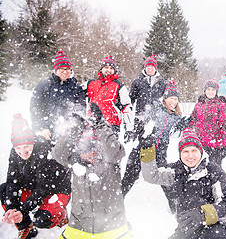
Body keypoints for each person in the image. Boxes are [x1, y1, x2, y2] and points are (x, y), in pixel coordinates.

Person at [52, 103, 133, 239]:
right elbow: (58, 154)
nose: (90, 153)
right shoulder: (77, 163)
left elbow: (113, 151)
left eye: (95, 148)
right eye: (86, 149)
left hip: (113, 227)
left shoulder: (111, 162)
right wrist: (76, 127)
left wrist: (100, 124)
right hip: (79, 226)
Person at [140, 128, 226, 239]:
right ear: (180, 154)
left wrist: (202, 214)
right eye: (185, 151)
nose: (190, 156)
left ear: (200, 151)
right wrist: (147, 150)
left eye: (194, 151)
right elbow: (152, 176)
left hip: (213, 226)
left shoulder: (213, 171)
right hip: (186, 226)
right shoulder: (175, 171)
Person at [0, 114, 71, 239]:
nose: (23, 152)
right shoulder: (14, 152)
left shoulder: (44, 150)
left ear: (32, 141)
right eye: (18, 148)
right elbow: (12, 181)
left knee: (42, 220)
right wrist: (12, 208)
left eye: (26, 146)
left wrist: (23, 210)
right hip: (34, 188)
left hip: (55, 191)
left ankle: (60, 214)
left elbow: (44, 188)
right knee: (3, 190)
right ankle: (25, 226)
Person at [122, 81, 187, 196]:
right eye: (171, 98)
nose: (174, 102)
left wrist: (179, 128)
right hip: (144, 145)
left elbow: (173, 135)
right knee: (130, 176)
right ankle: (117, 200)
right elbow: (144, 123)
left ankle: (175, 206)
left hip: (161, 149)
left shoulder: (176, 115)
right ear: (165, 98)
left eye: (176, 99)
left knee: (164, 177)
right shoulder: (156, 107)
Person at [30, 50, 86, 142]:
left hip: (68, 135)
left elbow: (80, 110)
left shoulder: (77, 89)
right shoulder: (43, 85)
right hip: (46, 133)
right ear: (56, 70)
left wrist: (73, 129)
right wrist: (41, 127)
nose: (65, 72)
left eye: (67, 69)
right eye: (61, 69)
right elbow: (35, 108)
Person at [86, 55, 134, 139]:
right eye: (106, 67)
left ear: (115, 70)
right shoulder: (91, 83)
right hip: (92, 123)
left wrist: (129, 129)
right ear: (101, 69)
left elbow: (126, 107)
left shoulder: (119, 86)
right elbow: (76, 95)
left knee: (109, 151)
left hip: (112, 125)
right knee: (89, 150)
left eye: (111, 68)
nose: (108, 70)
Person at [189, 79, 226, 166]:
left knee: (214, 171)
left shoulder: (221, 106)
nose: (210, 92)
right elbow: (193, 120)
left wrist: (224, 145)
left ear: (216, 92)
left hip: (215, 145)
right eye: (208, 89)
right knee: (200, 170)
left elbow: (225, 126)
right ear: (205, 91)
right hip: (201, 144)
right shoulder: (199, 105)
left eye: (213, 90)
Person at [128, 54, 167, 143]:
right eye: (148, 66)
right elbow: (131, 99)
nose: (150, 68)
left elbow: (167, 98)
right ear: (145, 67)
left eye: (152, 66)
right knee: (138, 141)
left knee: (155, 140)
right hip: (140, 115)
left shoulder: (162, 82)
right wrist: (129, 112)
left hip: (156, 116)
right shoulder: (137, 81)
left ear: (155, 68)